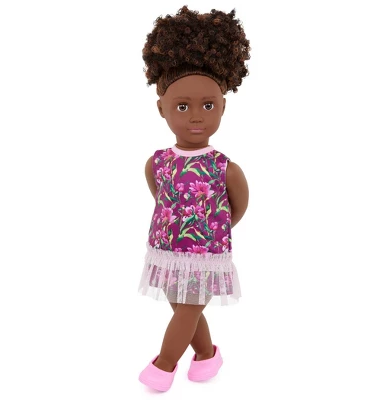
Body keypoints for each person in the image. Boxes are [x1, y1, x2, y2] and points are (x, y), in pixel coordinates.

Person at [137, 5, 251, 392]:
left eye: (208, 105)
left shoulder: (224, 167)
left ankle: (163, 365)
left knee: (186, 310)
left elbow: (237, 206)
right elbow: (161, 197)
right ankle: (206, 354)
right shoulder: (158, 162)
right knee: (182, 304)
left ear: (222, 107)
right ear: (162, 109)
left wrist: (212, 228)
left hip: (205, 252)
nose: (196, 116)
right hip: (167, 248)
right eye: (182, 106)